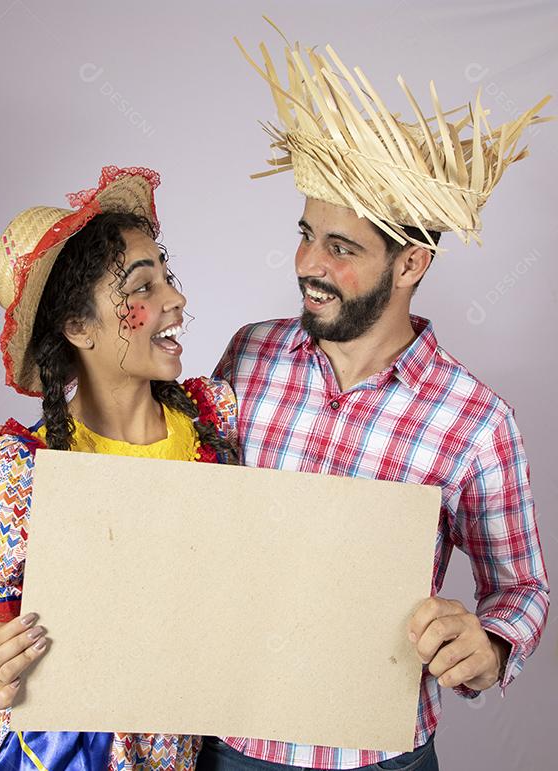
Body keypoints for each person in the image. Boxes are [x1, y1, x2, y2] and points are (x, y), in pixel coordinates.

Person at [191, 26, 551, 771]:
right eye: (306, 235)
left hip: (379, 755)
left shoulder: (475, 420)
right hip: (231, 745)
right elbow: (193, 516)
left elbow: (522, 587)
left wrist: (489, 645)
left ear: (411, 262)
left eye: (342, 248)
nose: (307, 266)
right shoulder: (248, 354)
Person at [0, 165, 239, 770]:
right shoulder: (21, 474)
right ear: (79, 327)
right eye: (142, 288)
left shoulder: (214, 423)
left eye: (167, 277)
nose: (177, 299)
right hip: (61, 754)